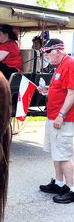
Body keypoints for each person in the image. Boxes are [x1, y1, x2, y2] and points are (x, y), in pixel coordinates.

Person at [37, 39, 74, 204]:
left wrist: (61, 115)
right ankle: (60, 184)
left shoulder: (70, 64)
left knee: (64, 155)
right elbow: (61, 89)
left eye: (48, 53)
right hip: (53, 116)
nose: (46, 56)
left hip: (63, 118)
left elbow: (72, 93)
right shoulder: (60, 65)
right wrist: (48, 90)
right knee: (56, 153)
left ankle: (72, 189)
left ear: (58, 51)